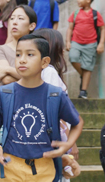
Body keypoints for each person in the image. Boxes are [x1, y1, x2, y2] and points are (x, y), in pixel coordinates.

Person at [0, 34, 84, 182]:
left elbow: (77, 123)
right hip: (11, 167)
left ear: (44, 62)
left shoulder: (55, 94)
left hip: (45, 170)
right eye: (18, 54)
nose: (22, 59)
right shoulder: (5, 93)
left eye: (30, 54)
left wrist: (67, 146)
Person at [33, 29, 80, 181]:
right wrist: (70, 143)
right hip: (55, 140)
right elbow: (53, 112)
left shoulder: (39, 73)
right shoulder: (49, 72)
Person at [65, 0, 105, 99]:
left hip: (91, 44)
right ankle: (83, 76)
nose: (78, 0)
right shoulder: (75, 13)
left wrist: (101, 43)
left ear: (88, 0)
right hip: (76, 42)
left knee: (88, 67)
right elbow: (70, 29)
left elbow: (102, 29)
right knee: (73, 58)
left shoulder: (95, 14)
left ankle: (83, 91)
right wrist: (68, 41)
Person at [0, 5, 36, 91]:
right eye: (12, 18)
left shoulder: (37, 50)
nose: (14, 22)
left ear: (31, 26)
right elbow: (6, 79)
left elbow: (39, 78)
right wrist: (30, 79)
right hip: (6, 100)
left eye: (20, 18)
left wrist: (7, 69)